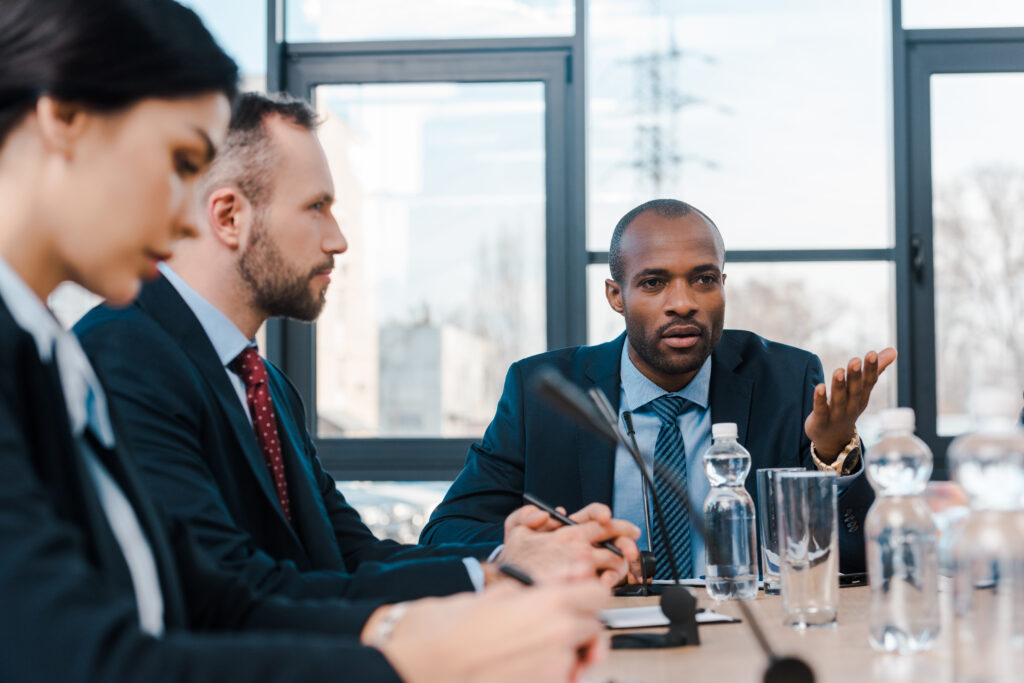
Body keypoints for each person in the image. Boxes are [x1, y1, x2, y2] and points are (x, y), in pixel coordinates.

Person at [0, 1, 608, 680]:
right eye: (179, 162)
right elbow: (82, 654)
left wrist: (465, 593)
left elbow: (216, 593)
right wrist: (409, 655)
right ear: (65, 117)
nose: (183, 214)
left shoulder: (52, 352)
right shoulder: (107, 352)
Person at [75, 90, 639, 603]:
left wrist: (511, 558)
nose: (337, 239)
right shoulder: (125, 357)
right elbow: (230, 591)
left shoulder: (267, 385)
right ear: (229, 217)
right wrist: (494, 578)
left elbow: (351, 556)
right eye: (316, 207)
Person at [421, 198, 896, 578]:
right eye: (653, 283)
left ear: (723, 285)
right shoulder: (542, 393)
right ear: (616, 295)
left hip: (746, 639)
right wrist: (543, 551)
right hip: (595, 635)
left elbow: (861, 557)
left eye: (704, 280)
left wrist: (832, 451)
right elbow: (445, 534)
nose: (683, 303)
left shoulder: (787, 381)